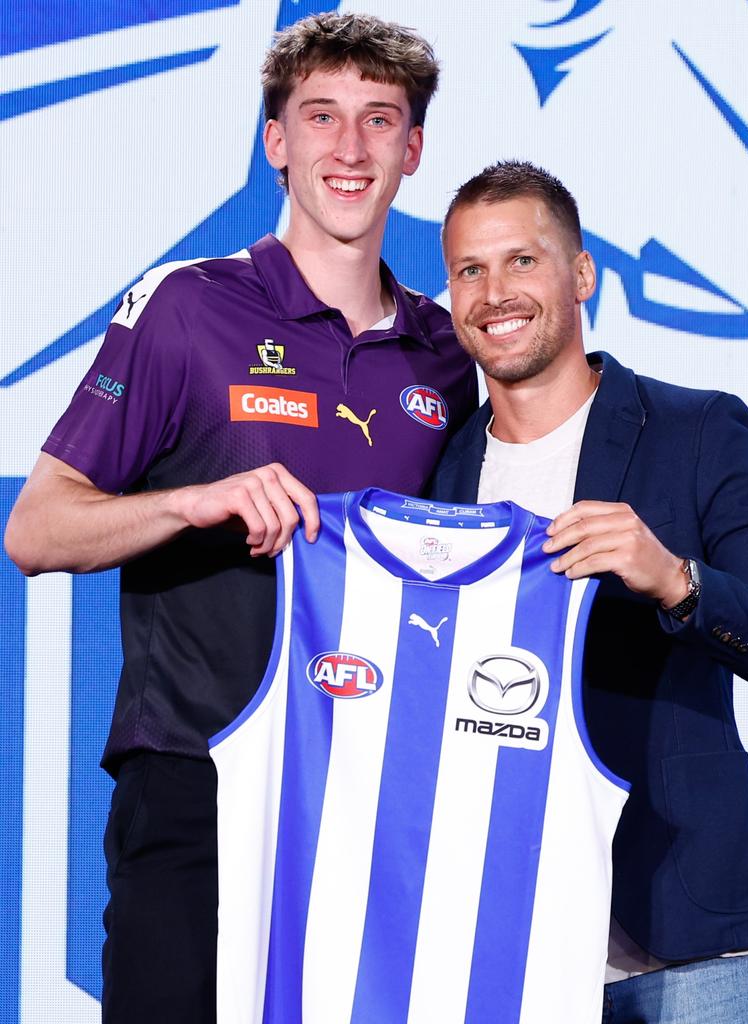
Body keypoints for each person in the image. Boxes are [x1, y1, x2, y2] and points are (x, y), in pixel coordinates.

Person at [3, 13, 476, 1022]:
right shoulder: (188, 306)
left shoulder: (446, 353)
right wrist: (193, 501)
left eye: (378, 121)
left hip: (368, 799)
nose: (349, 150)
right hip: (196, 781)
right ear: (276, 142)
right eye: (321, 117)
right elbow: (35, 530)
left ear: (413, 150)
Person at [432, 159, 748, 1024]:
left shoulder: (699, 428)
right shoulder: (440, 473)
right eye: (470, 269)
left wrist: (676, 580)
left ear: (581, 274)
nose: (494, 292)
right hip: (506, 944)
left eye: (522, 261)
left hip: (684, 939)